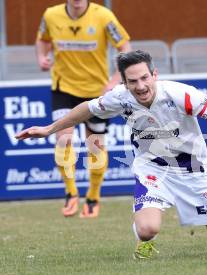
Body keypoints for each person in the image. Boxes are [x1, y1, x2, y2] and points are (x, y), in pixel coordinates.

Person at [16, 50, 207, 258]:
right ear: (124, 82)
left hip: (192, 168)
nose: (140, 86)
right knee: (148, 229)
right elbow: (87, 108)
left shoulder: (181, 95)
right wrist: (50, 129)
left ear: (154, 75)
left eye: (144, 78)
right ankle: (144, 241)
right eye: (132, 81)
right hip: (152, 167)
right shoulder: (120, 97)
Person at [36, 0, 131, 218]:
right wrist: (41, 57)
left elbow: (125, 47)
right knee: (63, 139)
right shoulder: (50, 15)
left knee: (95, 145)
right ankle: (71, 192)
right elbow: (42, 40)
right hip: (63, 88)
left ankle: (93, 196)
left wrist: (116, 79)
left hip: (96, 91)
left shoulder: (104, 16)